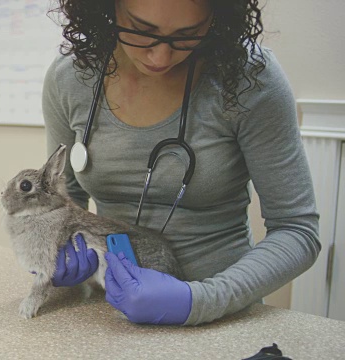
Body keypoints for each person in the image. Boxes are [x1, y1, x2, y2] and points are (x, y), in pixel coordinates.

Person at [43, 0, 320, 326]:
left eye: (188, 34)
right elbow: (62, 200)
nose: (160, 56)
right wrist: (58, 248)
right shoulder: (71, 78)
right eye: (142, 30)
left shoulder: (249, 78)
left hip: (224, 316)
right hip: (113, 314)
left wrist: (199, 301)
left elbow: (297, 230)